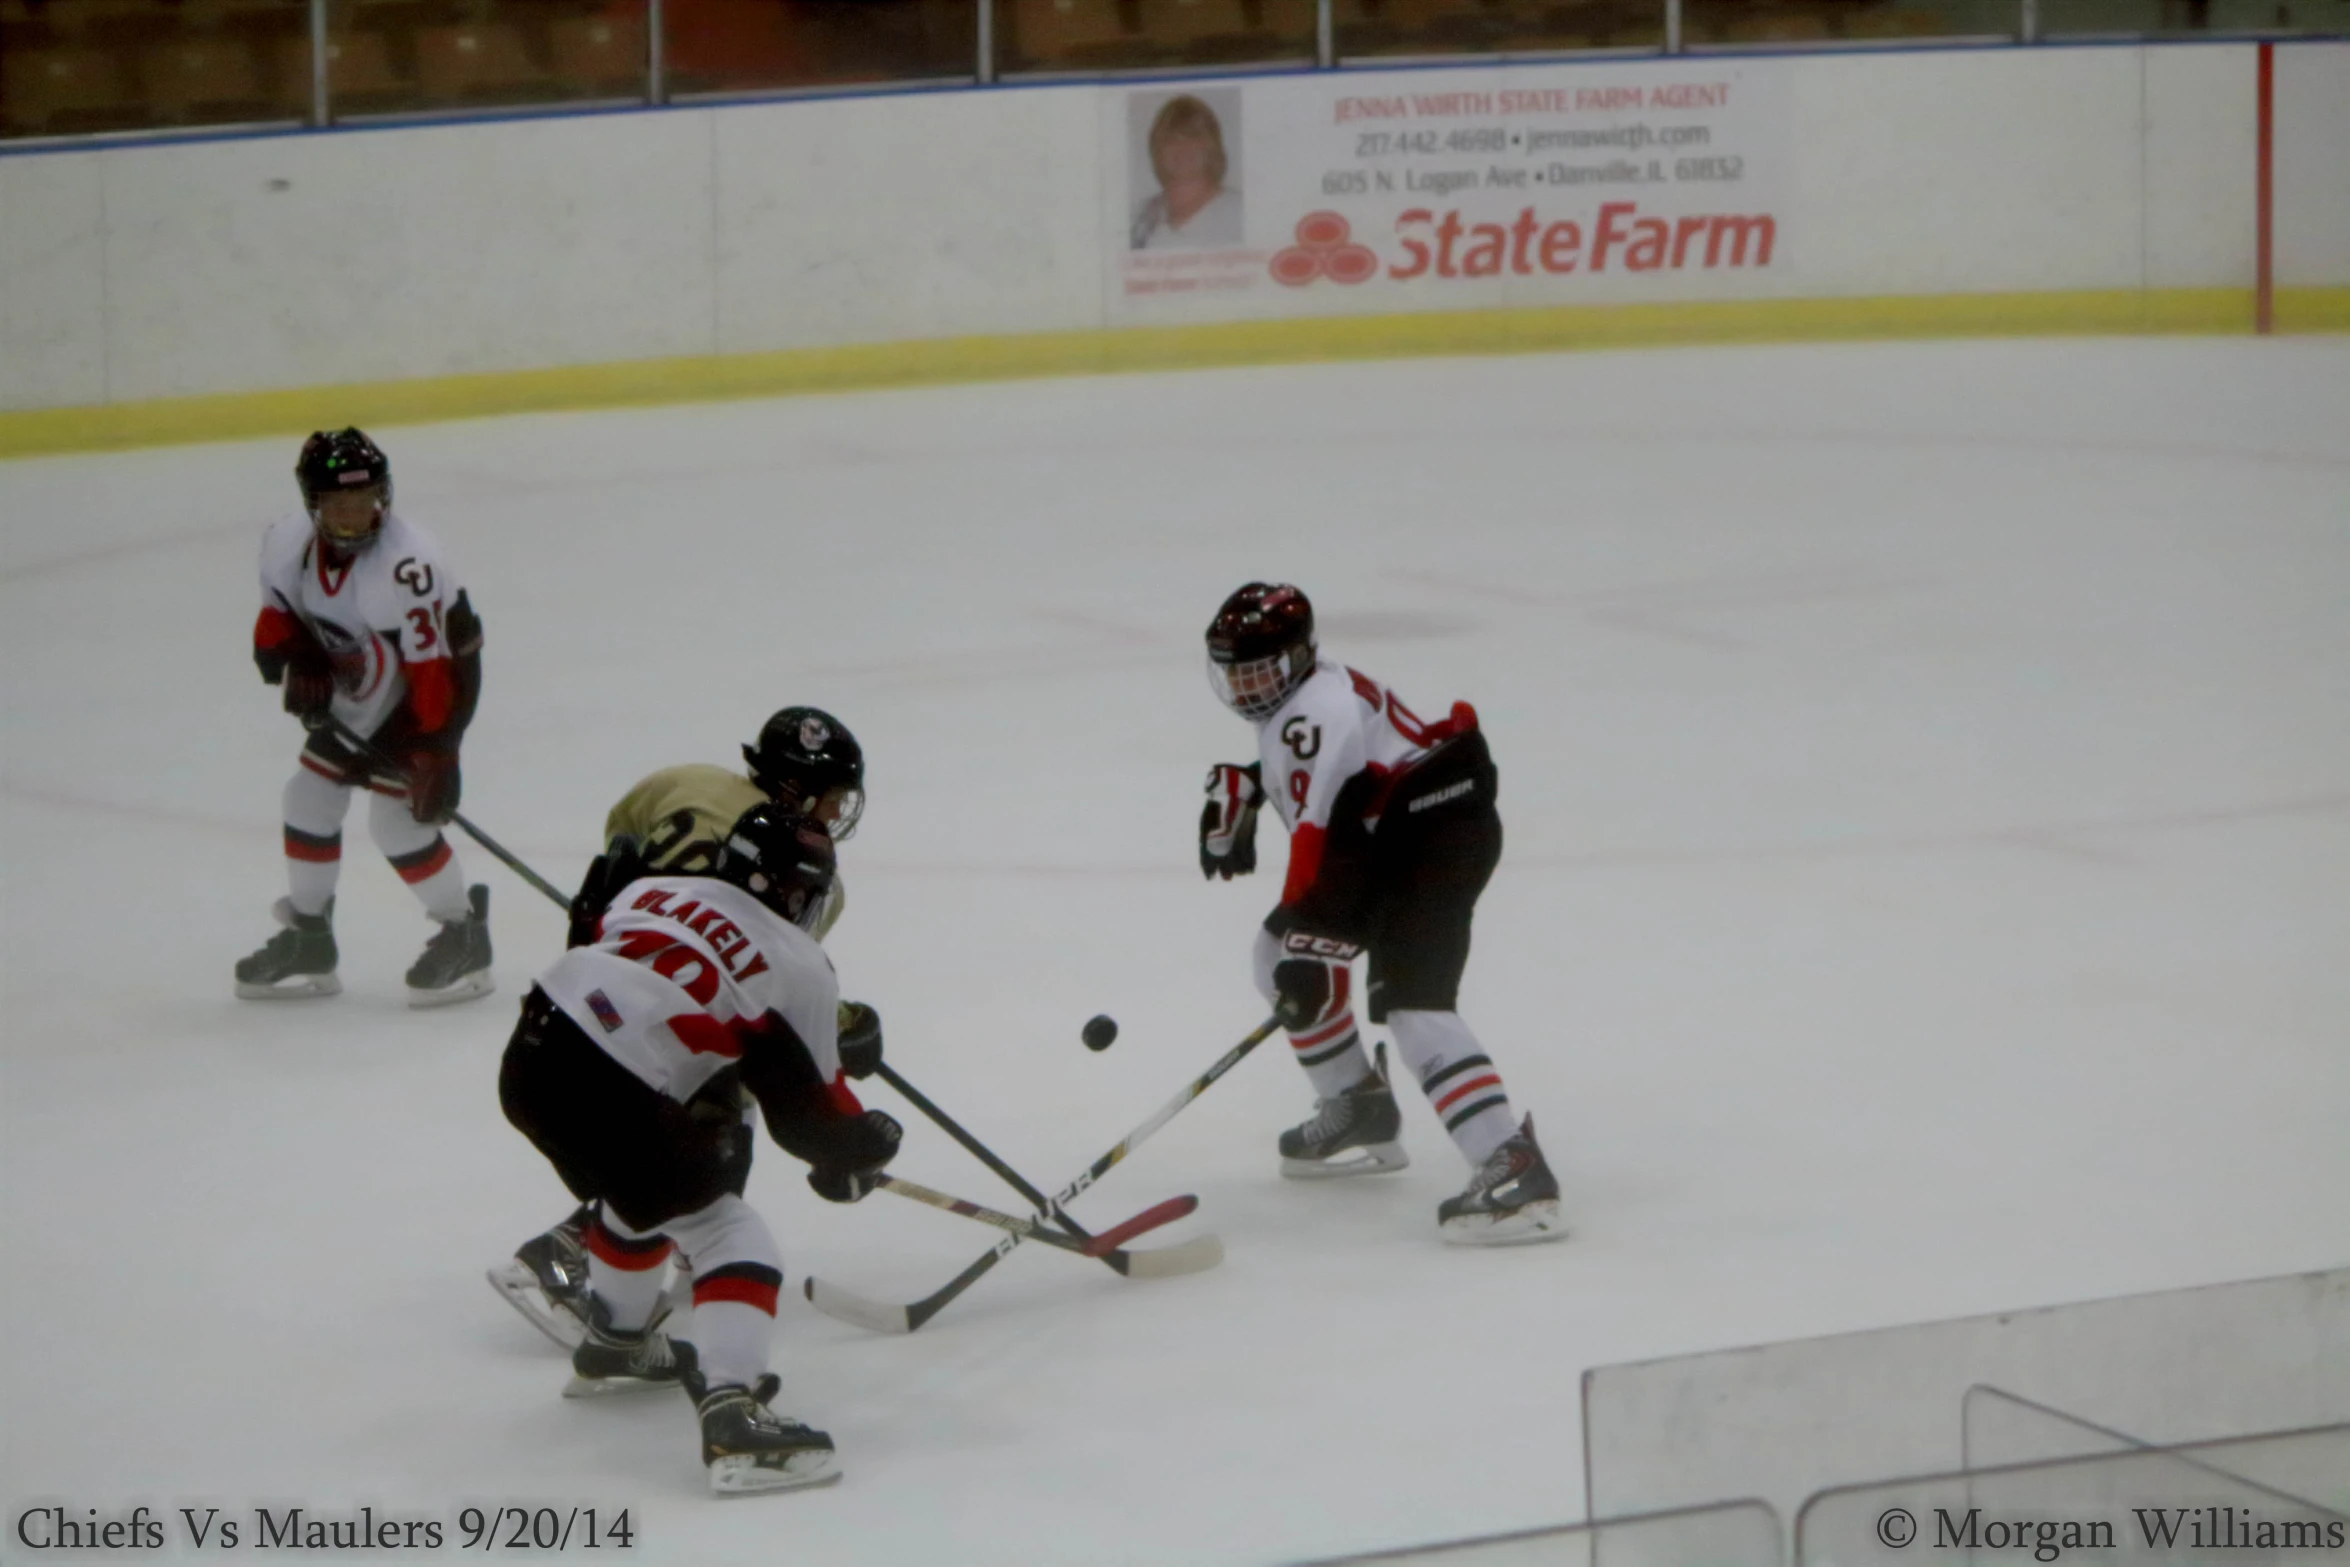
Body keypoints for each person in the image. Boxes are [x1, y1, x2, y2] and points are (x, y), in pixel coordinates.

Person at [499, 801, 902, 1495]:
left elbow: (603, 945)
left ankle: (617, 1339)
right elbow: (808, 1117)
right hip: (612, 1079)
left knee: (648, 1188)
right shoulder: (802, 965)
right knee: (728, 1230)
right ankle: (733, 1413)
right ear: (793, 891)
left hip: (532, 1056)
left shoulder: (653, 888)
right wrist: (857, 1150)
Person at [488, 708, 876, 1347]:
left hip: (596, 974)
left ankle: (648, 1247)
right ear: (797, 791)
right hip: (667, 1017)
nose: (835, 814)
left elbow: (618, 846)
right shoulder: (814, 876)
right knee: (716, 1115)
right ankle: (577, 1252)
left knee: (656, 1129)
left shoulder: (683, 781)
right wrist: (838, 1030)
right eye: (831, 799)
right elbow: (766, 977)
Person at [1198, 583, 1563, 1245]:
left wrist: (1310, 951)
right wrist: (1248, 783)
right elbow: (1332, 786)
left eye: (1260, 669)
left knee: (1413, 1002)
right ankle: (1359, 1105)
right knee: (1273, 953)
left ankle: (1513, 1164)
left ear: (1301, 655)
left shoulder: (1319, 706)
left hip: (1436, 830)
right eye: (1235, 670)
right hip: (1392, 835)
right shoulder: (1300, 704)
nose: (1247, 686)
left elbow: (1317, 842)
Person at [235, 429, 493, 1006]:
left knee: (397, 823)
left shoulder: (408, 565)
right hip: (358, 687)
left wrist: (438, 748)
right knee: (307, 798)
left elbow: (441, 667)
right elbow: (277, 620)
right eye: (340, 504)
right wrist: (294, 658)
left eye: (368, 500)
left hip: (423, 694)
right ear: (313, 503)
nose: (357, 515)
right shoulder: (285, 543)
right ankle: (310, 937)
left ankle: (465, 933)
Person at [1130, 93, 1242, 251]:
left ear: (1212, 147)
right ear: (1157, 150)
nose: (1182, 148)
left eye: (1193, 138)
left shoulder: (1238, 212)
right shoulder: (1141, 216)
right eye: (1171, 140)